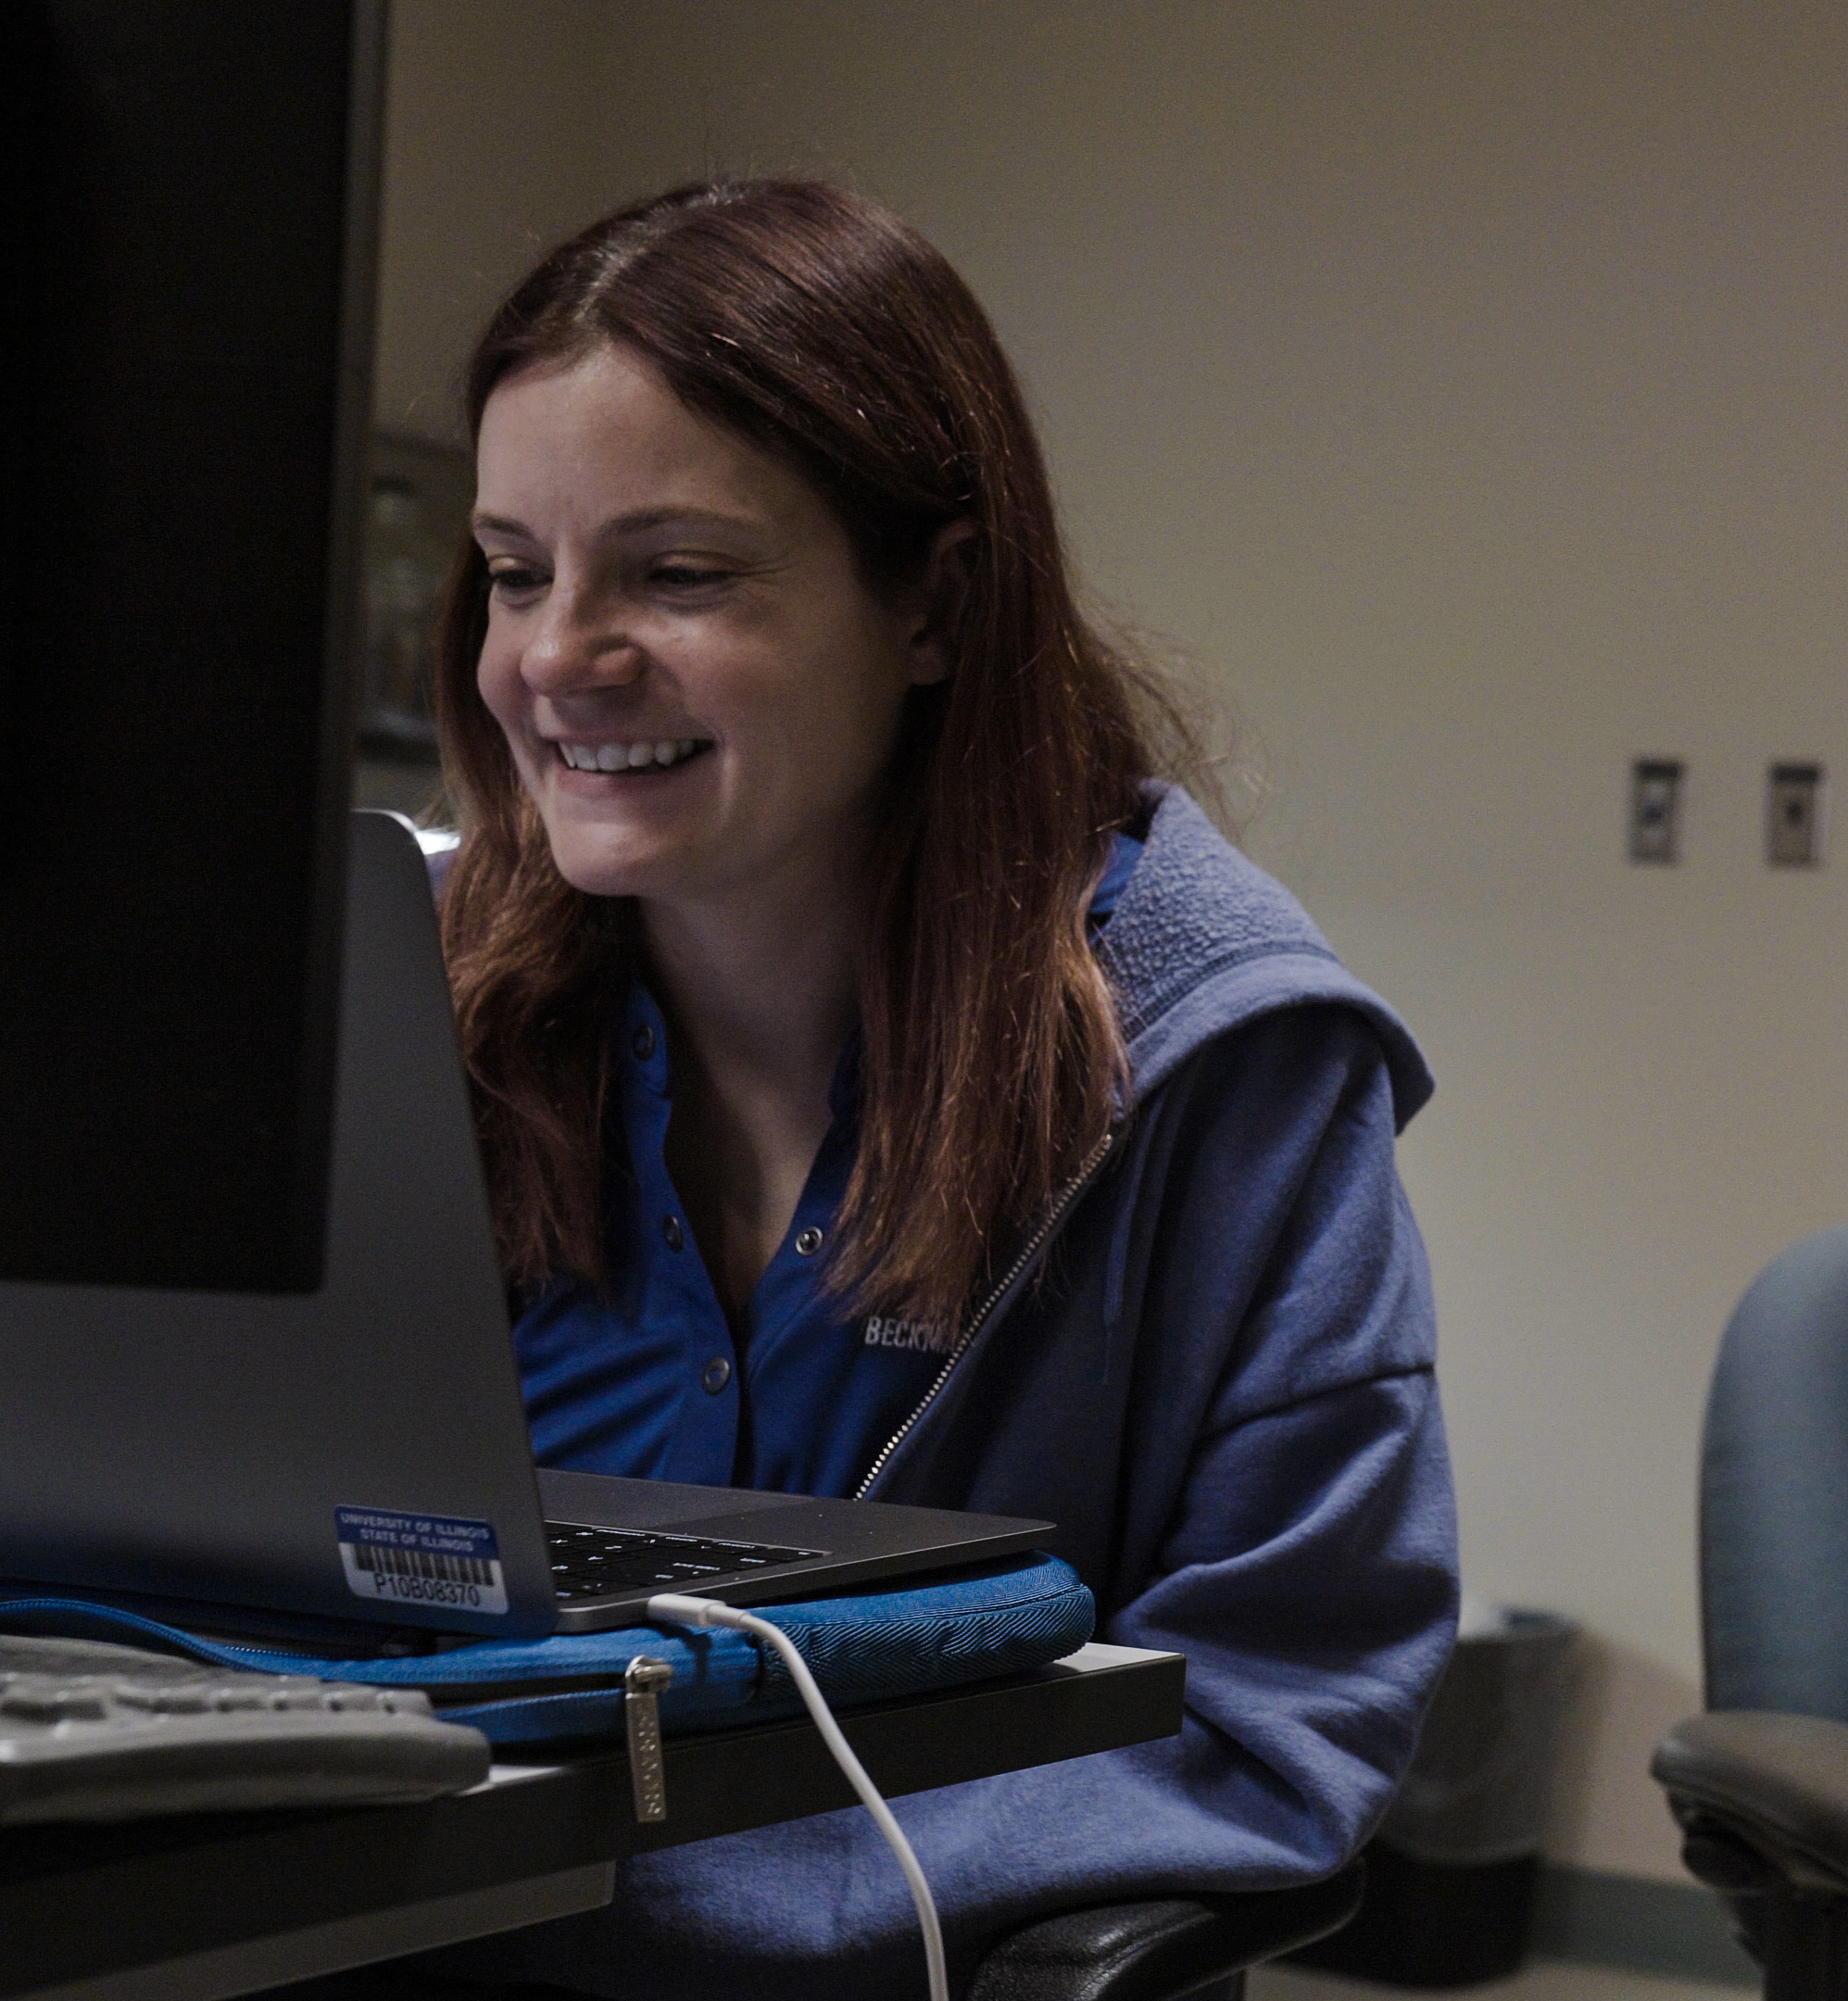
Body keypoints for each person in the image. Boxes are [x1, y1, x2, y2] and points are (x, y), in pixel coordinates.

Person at [388, 180, 1453, 1997]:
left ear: (936, 604)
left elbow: (1286, 1713)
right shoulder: (420, 1018)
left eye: (677, 570)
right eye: (514, 569)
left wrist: (674, 1900)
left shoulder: (1221, 1061)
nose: (556, 656)